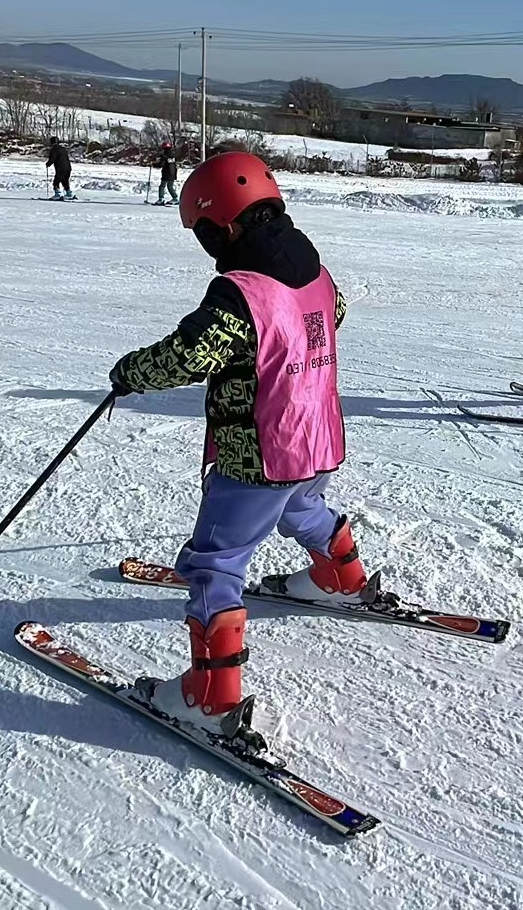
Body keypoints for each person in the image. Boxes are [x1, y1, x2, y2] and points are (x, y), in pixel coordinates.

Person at [108, 152, 366, 745]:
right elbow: (333, 315)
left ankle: (209, 694)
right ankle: (341, 574)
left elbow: (189, 355)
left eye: (203, 231)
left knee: (216, 561)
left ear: (220, 224)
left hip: (258, 452)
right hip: (317, 435)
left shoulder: (239, 292)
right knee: (301, 507)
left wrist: (130, 373)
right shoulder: (316, 272)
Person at [44, 135, 75, 200]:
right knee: (65, 181)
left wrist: (48, 164)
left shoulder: (54, 149)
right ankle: (69, 194)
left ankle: (57, 194)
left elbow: (53, 158)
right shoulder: (62, 149)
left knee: (56, 181)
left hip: (61, 168)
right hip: (68, 168)